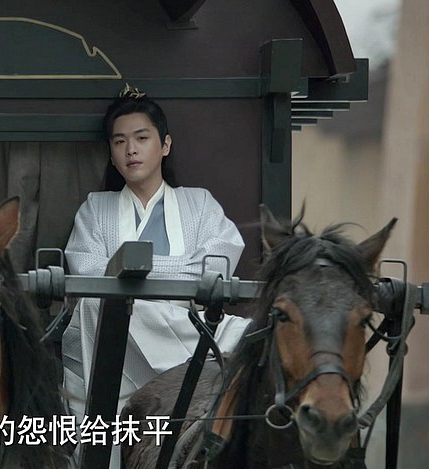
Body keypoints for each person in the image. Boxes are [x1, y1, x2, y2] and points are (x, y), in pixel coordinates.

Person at [60, 87, 250, 467]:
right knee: (96, 305)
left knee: (254, 336)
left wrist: (138, 271)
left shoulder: (199, 203)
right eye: (120, 142)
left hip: (190, 324)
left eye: (141, 138)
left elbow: (218, 266)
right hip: (120, 337)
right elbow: (89, 273)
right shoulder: (96, 208)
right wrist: (177, 271)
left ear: (165, 145)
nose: (131, 150)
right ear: (111, 154)